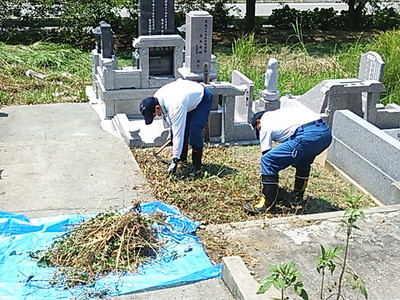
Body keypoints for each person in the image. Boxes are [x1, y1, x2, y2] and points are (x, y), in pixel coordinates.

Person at [244, 106, 332, 214]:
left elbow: (267, 155)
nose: (259, 130)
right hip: (325, 133)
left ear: (258, 121)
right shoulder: (280, 113)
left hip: (307, 136)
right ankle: (297, 197)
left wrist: (268, 181)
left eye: (257, 128)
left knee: (268, 161)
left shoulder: (264, 124)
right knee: (302, 161)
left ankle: (268, 205)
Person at [139, 79, 213, 174]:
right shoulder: (157, 99)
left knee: (194, 131)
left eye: (154, 115)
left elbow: (178, 132)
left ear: (157, 108)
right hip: (187, 100)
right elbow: (170, 120)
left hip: (202, 98)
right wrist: (171, 134)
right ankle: (182, 158)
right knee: (183, 131)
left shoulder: (175, 106)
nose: (156, 116)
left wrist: (174, 160)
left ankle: (196, 165)